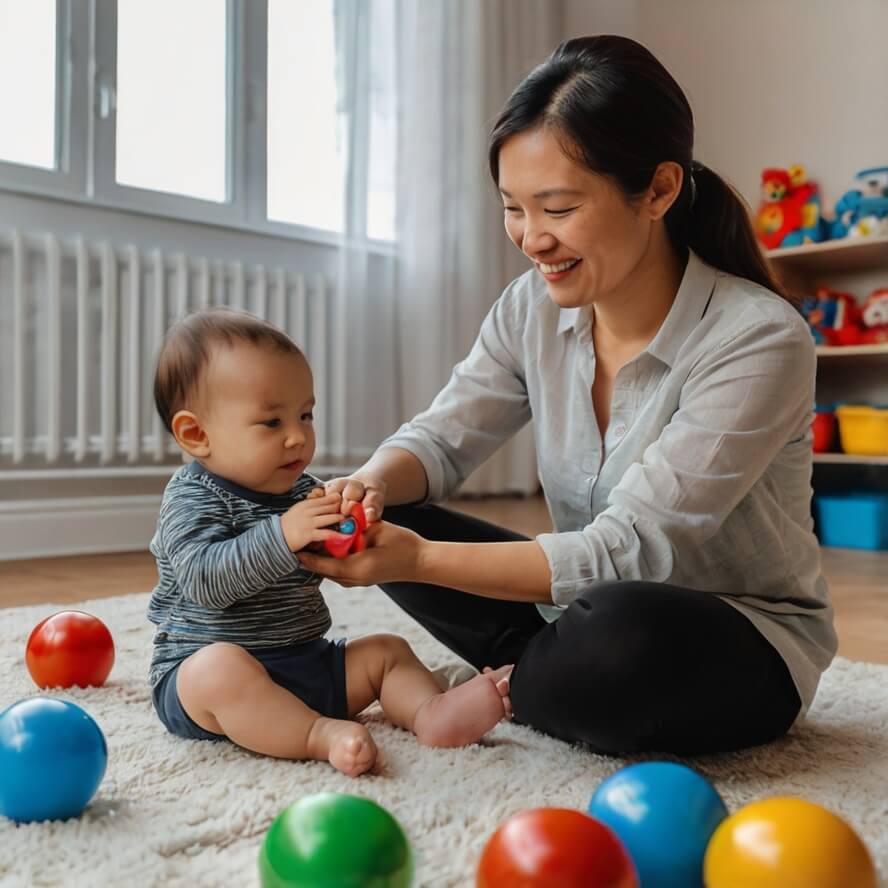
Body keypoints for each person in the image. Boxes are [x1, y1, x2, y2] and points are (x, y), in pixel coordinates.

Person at [298, 35, 838, 756]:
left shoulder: (758, 338)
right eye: (513, 208)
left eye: (555, 208)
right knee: (381, 506)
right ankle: (542, 676)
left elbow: (631, 551)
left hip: (728, 639)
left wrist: (418, 560)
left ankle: (520, 682)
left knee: (617, 633)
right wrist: (364, 488)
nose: (530, 239)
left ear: (659, 190)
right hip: (575, 609)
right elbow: (442, 439)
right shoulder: (531, 309)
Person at [147, 308, 511, 777]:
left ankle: (429, 712)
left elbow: (324, 558)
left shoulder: (302, 492)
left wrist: (353, 528)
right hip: (206, 684)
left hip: (305, 660)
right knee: (220, 669)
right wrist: (282, 534)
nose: (298, 436)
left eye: (305, 414)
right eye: (271, 423)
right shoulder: (192, 497)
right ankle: (318, 734)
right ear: (197, 435)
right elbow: (204, 581)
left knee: (386, 651)